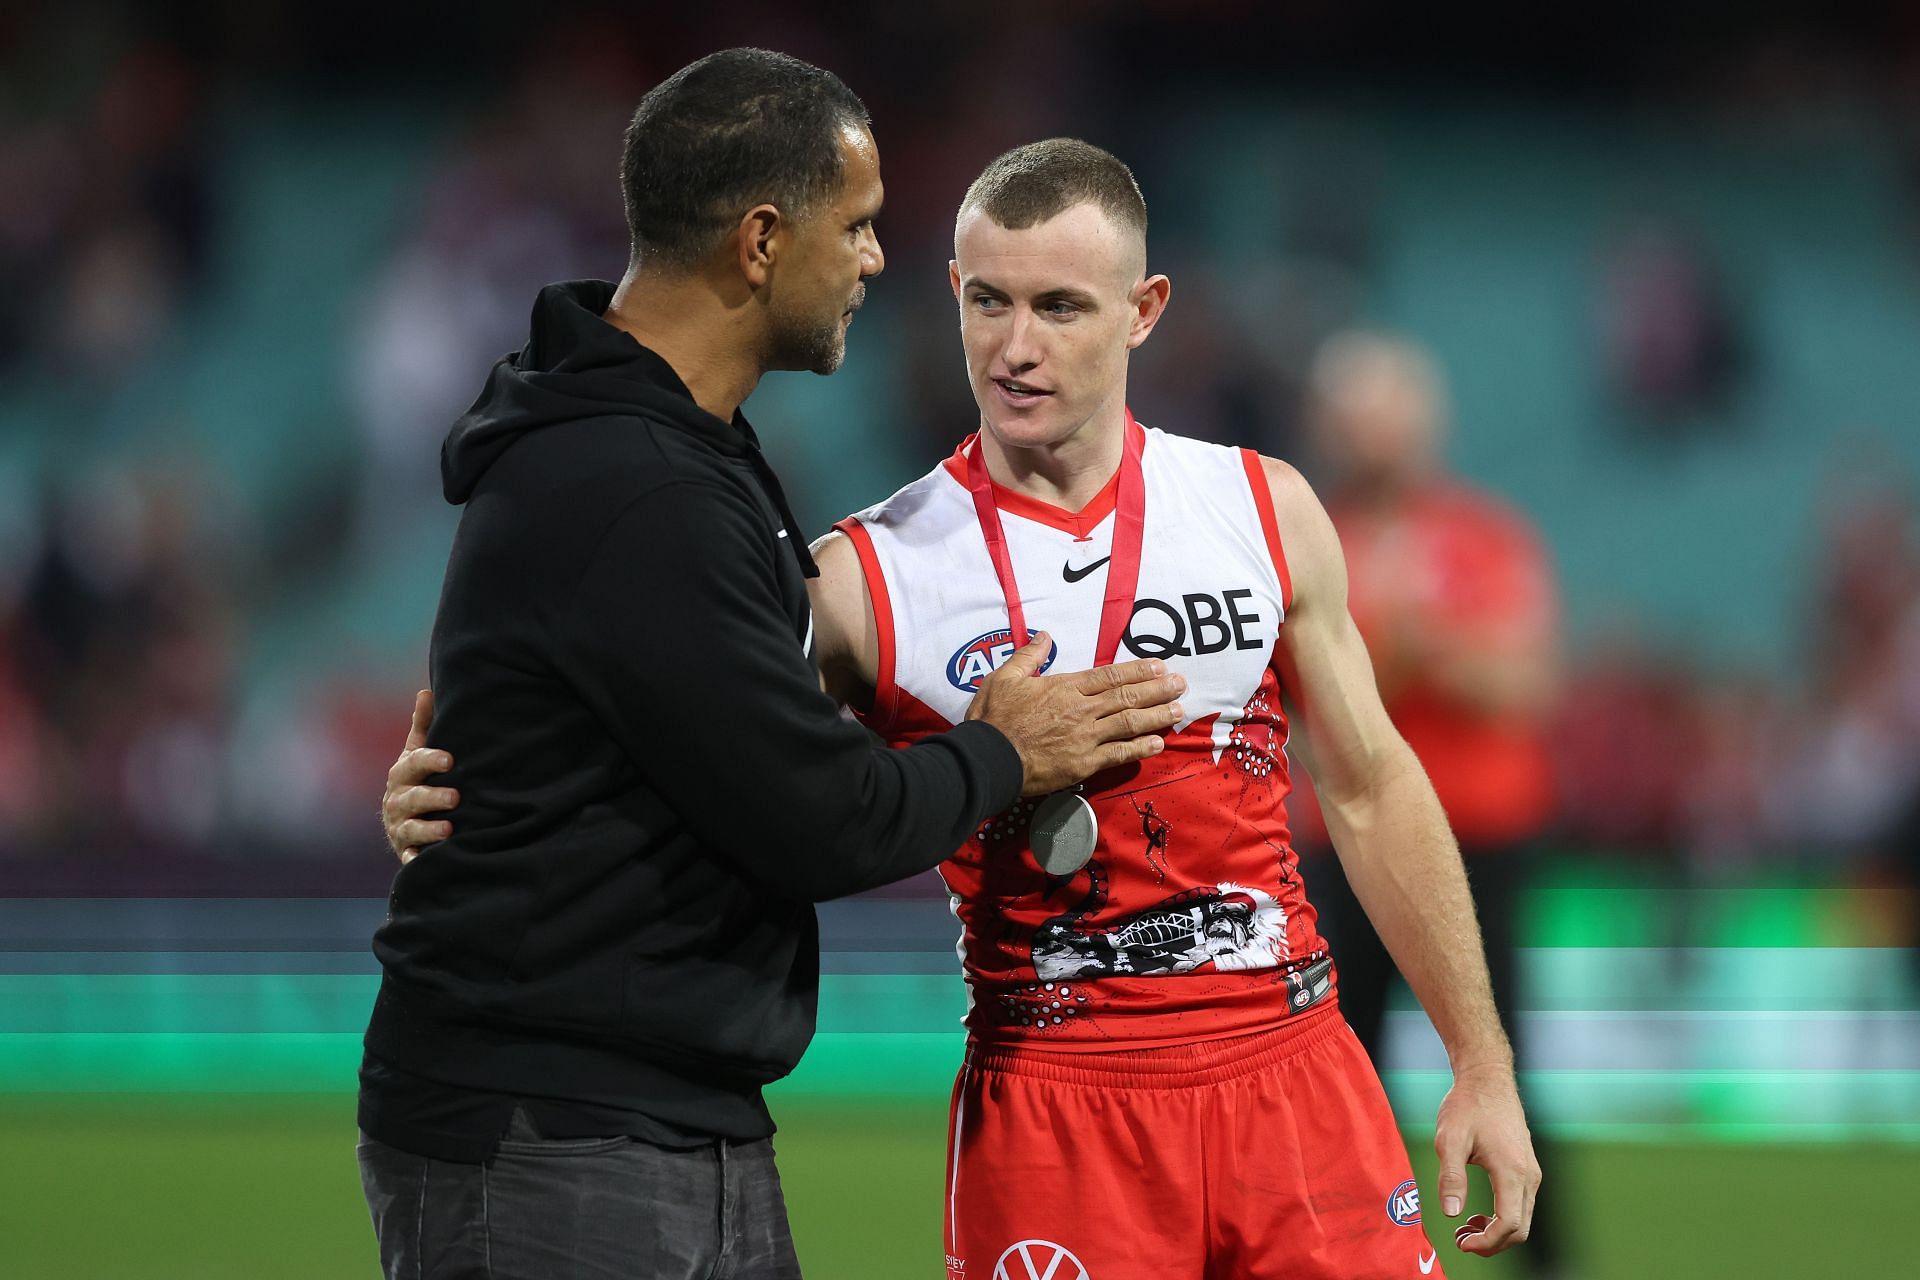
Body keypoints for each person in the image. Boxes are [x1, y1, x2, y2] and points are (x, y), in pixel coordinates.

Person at [387, 138, 1540, 1279]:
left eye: (1060, 307)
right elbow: (708, 764)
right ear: (952, 294)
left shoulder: (1262, 507)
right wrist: (482, 777)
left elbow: (1370, 782)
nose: (1017, 347)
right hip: (1055, 1104)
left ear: (1145, 309)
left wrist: (1480, 1062)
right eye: (988, 301)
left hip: (1292, 1072)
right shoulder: (863, 578)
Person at [356, 54, 1187, 1280]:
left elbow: (625, 720)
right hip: (554, 1134)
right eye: (853, 223)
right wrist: (1010, 749)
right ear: (760, 239)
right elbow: (818, 815)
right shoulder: (637, 487)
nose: (873, 258)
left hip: (649, 1115)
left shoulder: (670, 447)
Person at [1297, 332, 1568, 1278]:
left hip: (1482, 835)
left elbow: (1522, 683)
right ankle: (1344, 1251)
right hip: (1341, 843)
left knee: (1502, 1056)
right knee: (1340, 1068)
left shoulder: (1482, 535)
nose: (1370, 440)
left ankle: (1546, 1257)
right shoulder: (1309, 534)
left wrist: (1407, 643)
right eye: (1353, 420)